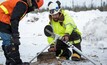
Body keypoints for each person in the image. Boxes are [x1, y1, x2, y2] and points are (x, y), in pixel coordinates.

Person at [0, 0, 43, 65]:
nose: (33, 9)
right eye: (34, 7)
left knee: (11, 42)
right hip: (2, 20)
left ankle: (13, 62)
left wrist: (15, 35)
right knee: (10, 42)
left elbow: (13, 19)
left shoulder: (23, 4)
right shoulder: (22, 5)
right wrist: (15, 35)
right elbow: (14, 19)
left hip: (4, 20)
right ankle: (14, 63)